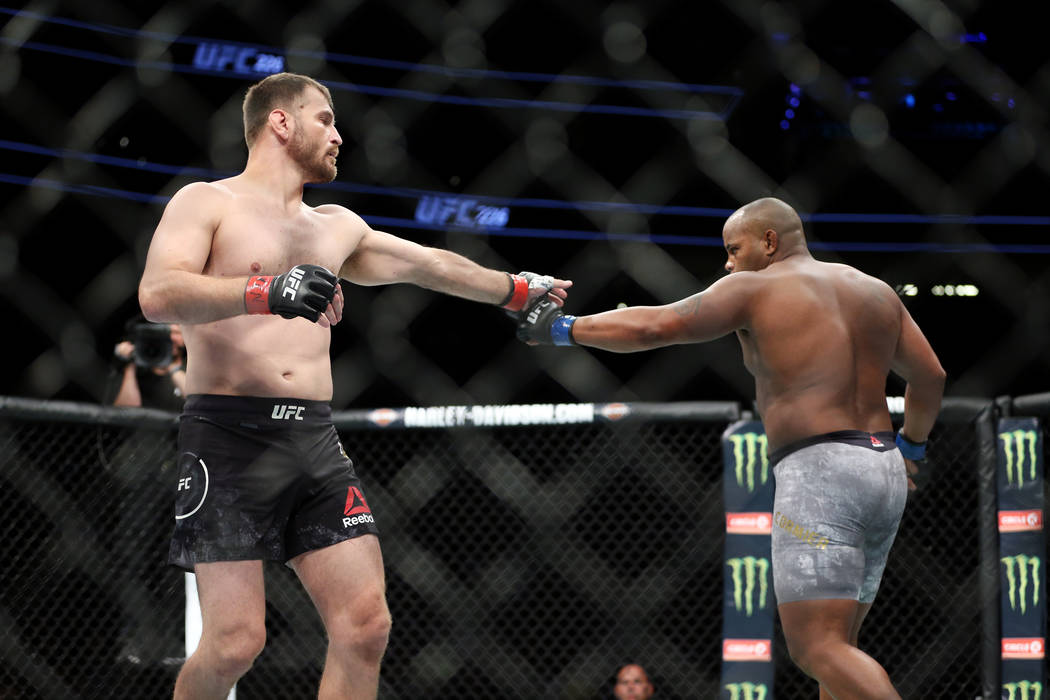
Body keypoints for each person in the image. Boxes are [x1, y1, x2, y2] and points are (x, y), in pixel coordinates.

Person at [137, 71, 570, 700]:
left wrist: (514, 288)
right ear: (280, 122)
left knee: (365, 626)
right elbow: (158, 295)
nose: (339, 136)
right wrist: (265, 291)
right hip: (227, 435)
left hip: (312, 438)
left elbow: (426, 263)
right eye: (325, 119)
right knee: (235, 643)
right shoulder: (207, 202)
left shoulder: (335, 226)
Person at [517, 197, 945, 700]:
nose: (727, 262)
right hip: (883, 465)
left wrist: (560, 327)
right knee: (839, 645)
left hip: (819, 469)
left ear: (769, 241)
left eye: (733, 248)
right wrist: (912, 450)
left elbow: (658, 325)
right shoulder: (873, 290)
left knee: (816, 649)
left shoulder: (756, 287)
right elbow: (931, 376)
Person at [111, 320, 187, 410]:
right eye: (164, 333)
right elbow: (123, 412)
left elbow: (197, 399)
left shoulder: (193, 365)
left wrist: (171, 366)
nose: (170, 338)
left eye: (175, 333)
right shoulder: (137, 372)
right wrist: (131, 362)